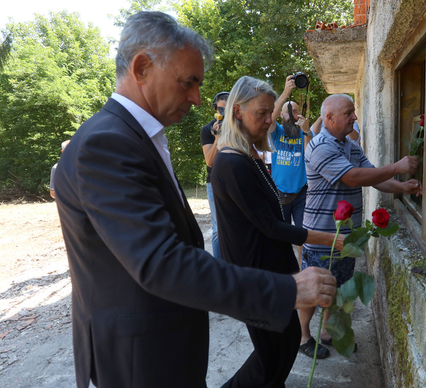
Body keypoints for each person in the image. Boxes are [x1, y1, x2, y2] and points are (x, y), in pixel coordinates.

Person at [53, 12, 337, 388]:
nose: (197, 97)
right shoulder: (108, 142)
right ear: (141, 68)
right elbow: (160, 262)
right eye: (188, 82)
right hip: (142, 357)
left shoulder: (136, 136)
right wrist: (289, 289)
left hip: (161, 341)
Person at [211, 75, 345, 387]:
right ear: (237, 113)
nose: (270, 119)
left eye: (271, 112)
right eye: (262, 113)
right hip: (254, 276)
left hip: (270, 271)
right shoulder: (232, 163)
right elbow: (271, 226)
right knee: (273, 353)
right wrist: (329, 239)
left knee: (280, 349)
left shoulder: (250, 155)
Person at [301, 94, 422, 358]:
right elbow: (353, 177)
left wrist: (401, 186)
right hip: (322, 237)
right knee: (313, 289)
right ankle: (303, 337)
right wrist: (397, 167)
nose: (354, 117)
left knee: (340, 288)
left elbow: (372, 176)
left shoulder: (351, 147)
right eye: (348, 113)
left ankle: (328, 333)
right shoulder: (320, 145)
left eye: (354, 111)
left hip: (348, 238)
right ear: (329, 118)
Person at [268, 75, 315, 263]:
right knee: (281, 235)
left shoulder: (304, 131)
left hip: (302, 191)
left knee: (302, 234)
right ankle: (285, 268)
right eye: (287, 110)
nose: (291, 113)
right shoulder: (276, 131)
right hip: (280, 191)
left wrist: (307, 131)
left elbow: (310, 157)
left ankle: (303, 268)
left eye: (295, 110)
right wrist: (286, 93)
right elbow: (269, 118)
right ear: (281, 114)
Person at [201, 91, 229, 259]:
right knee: (218, 229)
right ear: (215, 110)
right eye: (221, 109)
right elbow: (209, 162)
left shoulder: (239, 128)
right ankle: (220, 269)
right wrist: (218, 138)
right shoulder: (207, 130)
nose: (224, 114)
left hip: (236, 180)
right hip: (215, 182)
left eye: (228, 109)